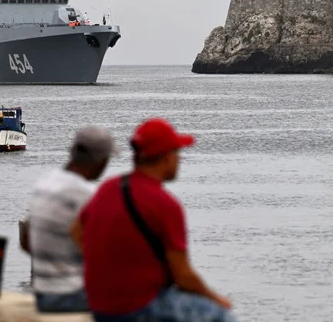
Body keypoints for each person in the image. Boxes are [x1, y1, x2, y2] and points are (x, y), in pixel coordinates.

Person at [71, 118, 235, 322]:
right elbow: (183, 276)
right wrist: (217, 299)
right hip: (138, 308)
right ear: (166, 157)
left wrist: (107, 266)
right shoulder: (165, 205)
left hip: (99, 305)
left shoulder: (108, 188)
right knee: (221, 316)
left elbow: (76, 231)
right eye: (177, 152)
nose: (179, 159)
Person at [21, 126, 116, 313]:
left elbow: (26, 241)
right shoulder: (85, 194)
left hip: (41, 292)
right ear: (101, 161)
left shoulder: (44, 183)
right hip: (72, 296)